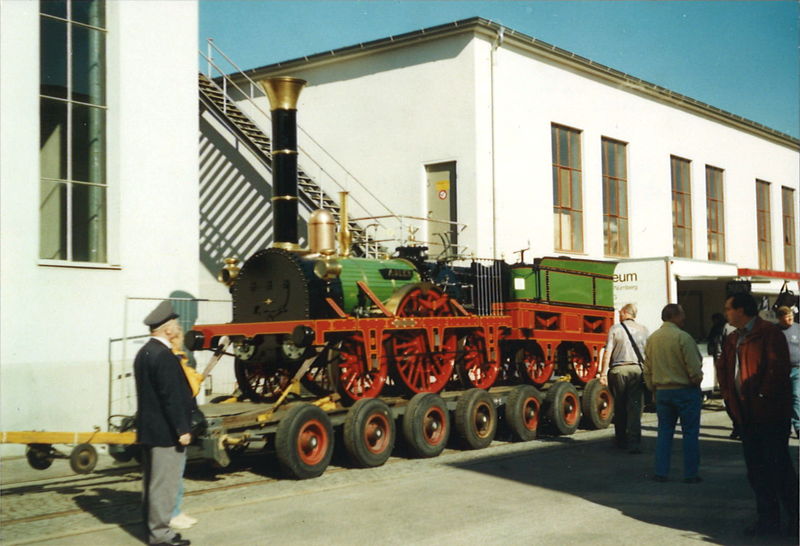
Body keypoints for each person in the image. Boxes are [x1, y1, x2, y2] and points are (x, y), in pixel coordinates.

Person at [716, 293, 798, 537]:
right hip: (745, 415)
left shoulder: (768, 333)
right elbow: (724, 369)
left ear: (741, 310)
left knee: (779, 469)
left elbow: (777, 370)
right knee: (756, 472)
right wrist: (730, 398)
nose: (726, 313)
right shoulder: (733, 338)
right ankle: (767, 520)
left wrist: (762, 396)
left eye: (728, 308)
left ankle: (796, 518)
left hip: (770, 415)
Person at [134, 300, 194, 546]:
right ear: (168, 329)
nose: (179, 328)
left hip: (149, 430)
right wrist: (182, 429)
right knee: (164, 486)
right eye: (176, 325)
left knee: (152, 485)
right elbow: (171, 398)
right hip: (166, 433)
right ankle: (160, 536)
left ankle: (155, 531)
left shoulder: (144, 352)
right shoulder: (165, 356)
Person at [643, 304, 703, 483]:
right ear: (675, 316)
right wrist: (696, 380)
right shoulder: (683, 337)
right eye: (682, 315)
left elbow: (647, 368)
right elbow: (693, 366)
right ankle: (690, 474)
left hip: (662, 391)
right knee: (690, 433)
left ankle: (661, 472)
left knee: (664, 433)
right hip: (685, 390)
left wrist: (652, 388)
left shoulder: (652, 339)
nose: (684, 318)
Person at [598, 303, 649, 453]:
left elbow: (608, 352)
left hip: (618, 370)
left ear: (625, 313)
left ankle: (620, 440)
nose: (619, 315)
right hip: (637, 370)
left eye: (620, 312)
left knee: (619, 406)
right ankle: (634, 442)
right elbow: (648, 354)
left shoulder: (615, 329)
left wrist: (603, 373)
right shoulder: (644, 330)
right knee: (635, 407)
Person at [168, 327, 201, 531]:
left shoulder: (175, 358)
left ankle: (176, 510)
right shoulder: (174, 360)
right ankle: (172, 513)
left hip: (179, 420)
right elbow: (183, 393)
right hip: (177, 424)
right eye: (179, 338)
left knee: (175, 471)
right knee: (174, 471)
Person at [776, 306, 800, 438]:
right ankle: (785, 425)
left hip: (797, 369)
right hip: (780, 370)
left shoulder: (798, 328)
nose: (790, 319)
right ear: (780, 318)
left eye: (792, 316)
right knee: (783, 399)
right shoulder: (774, 331)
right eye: (787, 317)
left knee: (796, 396)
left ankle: (798, 425)